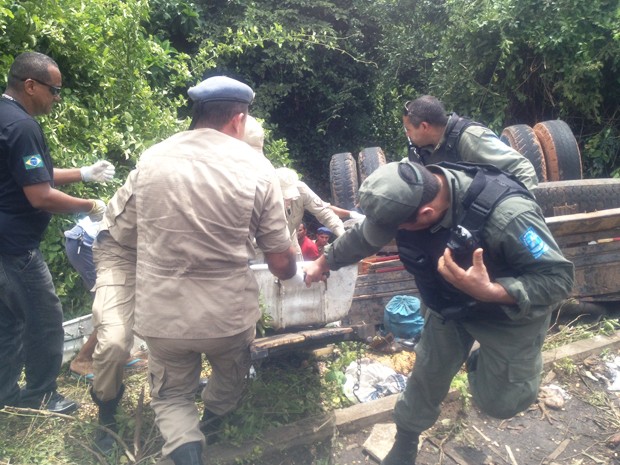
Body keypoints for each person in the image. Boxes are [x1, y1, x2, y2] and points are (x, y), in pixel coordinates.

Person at [303, 160, 574, 465]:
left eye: (397, 229)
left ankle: (480, 359)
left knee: (503, 403)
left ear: (426, 214)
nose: (389, 234)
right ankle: (405, 441)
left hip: (505, 316)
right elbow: (365, 236)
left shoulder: (510, 215)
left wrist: (492, 291)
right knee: (427, 375)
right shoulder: (412, 197)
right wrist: (324, 263)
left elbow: (559, 279)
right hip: (448, 307)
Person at [97, 75, 296, 465]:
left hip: (163, 318)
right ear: (238, 119)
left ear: (198, 112)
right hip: (227, 320)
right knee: (229, 380)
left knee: (171, 396)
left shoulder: (153, 158)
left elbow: (119, 230)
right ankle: (216, 424)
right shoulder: (258, 169)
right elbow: (279, 261)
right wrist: (289, 268)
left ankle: (187, 449)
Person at [0, 51, 112, 414]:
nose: (57, 98)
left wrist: (82, 172)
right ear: (30, 85)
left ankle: (5, 394)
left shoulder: (6, 118)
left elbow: (32, 173)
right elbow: (40, 195)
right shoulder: (22, 127)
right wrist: (89, 205)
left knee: (8, 320)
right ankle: (41, 395)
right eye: (54, 90)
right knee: (45, 319)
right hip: (16, 246)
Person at [403, 95, 538, 189]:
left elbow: (522, 167)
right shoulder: (425, 149)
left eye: (408, 129)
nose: (407, 134)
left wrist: (521, 207)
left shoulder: (470, 138)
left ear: (424, 127)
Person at [275, 166, 350, 259]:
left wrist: (343, 235)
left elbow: (324, 212)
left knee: (299, 271)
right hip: (266, 246)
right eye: (285, 196)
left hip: (291, 242)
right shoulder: (261, 195)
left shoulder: (301, 189)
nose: (289, 199)